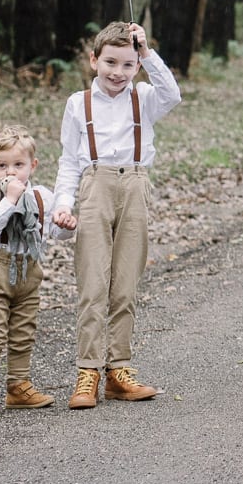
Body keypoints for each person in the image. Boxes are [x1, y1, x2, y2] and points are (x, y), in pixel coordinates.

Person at [51, 21, 181, 409]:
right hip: (95, 186)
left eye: (127, 65)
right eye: (109, 62)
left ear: (137, 66)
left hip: (135, 187)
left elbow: (172, 94)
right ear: (94, 60)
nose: (117, 72)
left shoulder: (144, 96)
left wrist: (147, 50)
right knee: (93, 282)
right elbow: (68, 160)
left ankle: (118, 370)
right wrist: (63, 202)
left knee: (125, 283)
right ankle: (87, 371)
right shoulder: (79, 104)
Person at [0, 124, 74, 418]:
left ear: (33, 165)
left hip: (28, 269)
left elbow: (53, 231)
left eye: (18, 165)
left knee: (23, 332)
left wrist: (66, 226)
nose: (10, 172)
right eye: (2, 166)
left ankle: (18, 386)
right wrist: (10, 200)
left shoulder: (42, 196)